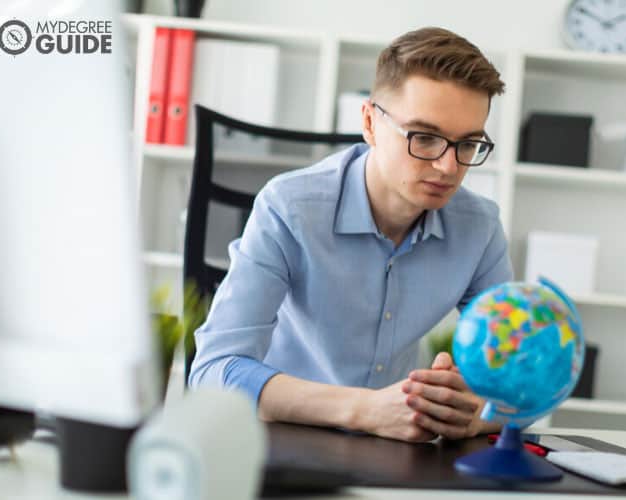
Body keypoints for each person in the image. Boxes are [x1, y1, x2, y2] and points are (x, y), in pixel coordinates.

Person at [189, 26, 512, 442]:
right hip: (280, 441)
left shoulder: (479, 228)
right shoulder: (289, 207)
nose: (449, 167)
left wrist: (473, 415)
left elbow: (520, 374)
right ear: (369, 123)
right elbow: (214, 370)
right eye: (425, 138)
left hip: (392, 448)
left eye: (468, 144)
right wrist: (367, 409)